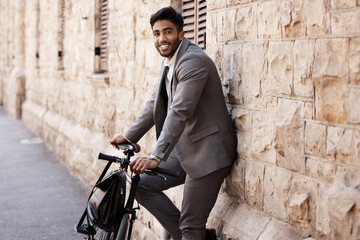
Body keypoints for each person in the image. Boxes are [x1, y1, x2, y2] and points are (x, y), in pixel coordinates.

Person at [110, 6, 236, 240]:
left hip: (208, 153)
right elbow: (154, 103)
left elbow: (179, 112)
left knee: (190, 225)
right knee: (142, 185)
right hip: (186, 149)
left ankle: (192, 234)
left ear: (181, 34)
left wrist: (156, 157)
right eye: (157, 33)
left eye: (168, 32)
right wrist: (129, 137)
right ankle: (197, 237)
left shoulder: (193, 62)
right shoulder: (170, 61)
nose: (162, 39)